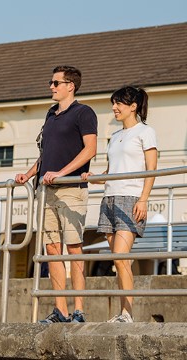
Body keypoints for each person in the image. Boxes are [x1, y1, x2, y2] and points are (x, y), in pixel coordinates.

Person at [15, 65, 97, 323]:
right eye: (51, 82)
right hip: (47, 192)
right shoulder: (51, 114)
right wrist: (29, 175)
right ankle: (60, 310)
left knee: (74, 249)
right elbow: (46, 154)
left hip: (71, 191)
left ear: (70, 85)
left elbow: (90, 149)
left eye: (56, 83)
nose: (51, 86)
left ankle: (78, 310)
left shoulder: (84, 113)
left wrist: (62, 172)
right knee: (52, 250)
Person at [81, 86, 157, 323]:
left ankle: (128, 313)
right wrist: (94, 177)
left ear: (133, 106)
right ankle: (124, 311)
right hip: (109, 198)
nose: (114, 108)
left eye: (118, 104)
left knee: (122, 257)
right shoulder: (114, 137)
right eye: (113, 103)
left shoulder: (146, 132)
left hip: (131, 199)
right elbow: (112, 171)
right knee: (117, 259)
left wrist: (143, 199)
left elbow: (151, 169)